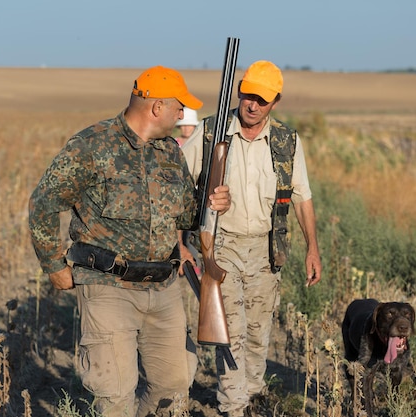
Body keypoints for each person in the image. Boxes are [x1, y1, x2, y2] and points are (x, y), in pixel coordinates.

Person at [29, 65, 231, 417]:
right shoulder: (92, 145)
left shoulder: (169, 151)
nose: (183, 114)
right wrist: (53, 265)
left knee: (174, 384)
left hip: (164, 287)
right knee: (115, 393)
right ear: (156, 107)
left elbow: (186, 216)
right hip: (109, 287)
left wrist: (211, 203)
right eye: (178, 106)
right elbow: (44, 203)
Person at [179, 60, 322, 417]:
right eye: (247, 94)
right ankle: (234, 405)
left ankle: (254, 391)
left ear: (276, 102)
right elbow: (176, 184)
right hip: (221, 245)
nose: (252, 104)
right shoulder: (212, 132)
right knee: (231, 332)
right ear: (239, 91)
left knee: (259, 331)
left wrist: (312, 249)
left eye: (262, 98)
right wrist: (199, 210)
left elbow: (302, 195)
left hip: (267, 247)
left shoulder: (287, 141)